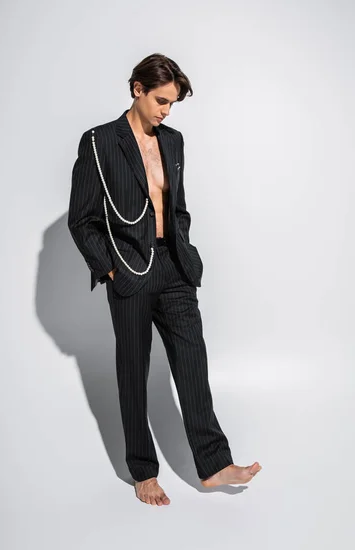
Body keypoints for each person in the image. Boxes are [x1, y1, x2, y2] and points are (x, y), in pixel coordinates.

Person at [68, 53, 262, 506]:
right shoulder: (99, 142)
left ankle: (213, 464)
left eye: (172, 104)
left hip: (173, 267)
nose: (166, 111)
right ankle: (143, 471)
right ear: (137, 89)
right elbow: (82, 219)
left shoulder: (173, 141)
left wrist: (184, 251)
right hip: (129, 270)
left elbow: (177, 208)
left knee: (193, 363)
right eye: (160, 101)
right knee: (133, 373)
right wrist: (111, 268)